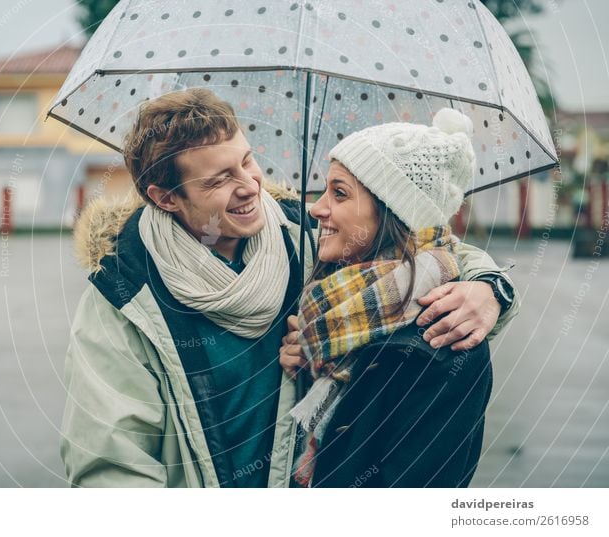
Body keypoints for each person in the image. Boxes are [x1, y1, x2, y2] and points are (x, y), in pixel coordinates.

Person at [60, 89, 518, 487]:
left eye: (247, 161)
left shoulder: (303, 239)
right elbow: (112, 466)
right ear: (165, 197)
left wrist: (489, 288)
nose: (250, 186)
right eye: (220, 179)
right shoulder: (124, 294)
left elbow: (422, 246)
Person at [280, 108, 513, 488]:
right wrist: (306, 365)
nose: (318, 208)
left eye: (339, 193)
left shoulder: (445, 349)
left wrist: (495, 289)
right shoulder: (330, 306)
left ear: (394, 213)